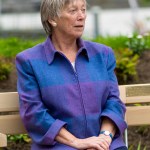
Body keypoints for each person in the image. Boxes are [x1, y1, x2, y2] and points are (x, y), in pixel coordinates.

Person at [16, 0, 127, 149]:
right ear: (52, 19)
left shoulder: (103, 54)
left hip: (106, 145)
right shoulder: (29, 61)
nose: (81, 16)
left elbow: (113, 101)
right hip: (59, 145)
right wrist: (77, 142)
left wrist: (105, 137)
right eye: (73, 11)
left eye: (83, 9)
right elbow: (34, 114)